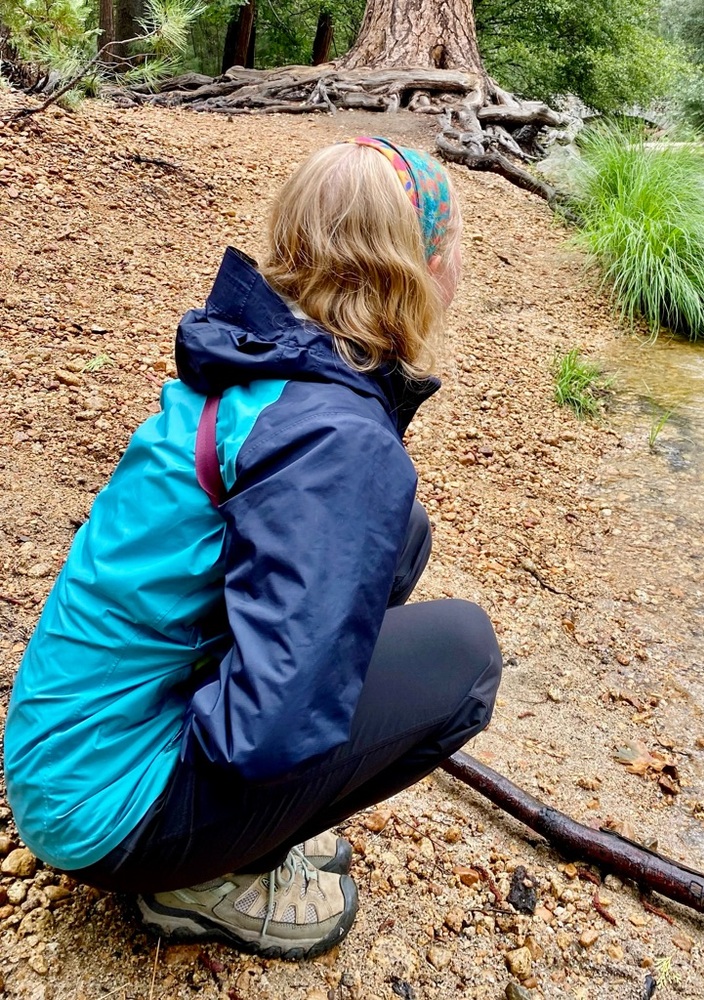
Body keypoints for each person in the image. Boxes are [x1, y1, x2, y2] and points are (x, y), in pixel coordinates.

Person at [2, 137, 503, 960]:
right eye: (451, 252)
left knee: (398, 539)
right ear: (415, 268)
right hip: (104, 808)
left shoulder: (255, 358)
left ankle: (226, 834)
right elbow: (268, 729)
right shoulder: (334, 436)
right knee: (466, 655)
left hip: (60, 752)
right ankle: (202, 880)